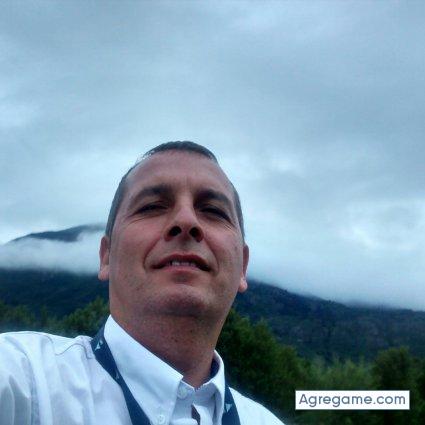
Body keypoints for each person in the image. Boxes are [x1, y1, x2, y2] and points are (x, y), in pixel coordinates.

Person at [0, 141, 285, 425]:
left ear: (243, 268)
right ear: (106, 256)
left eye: (213, 211)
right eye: (152, 207)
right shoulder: (23, 378)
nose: (186, 221)